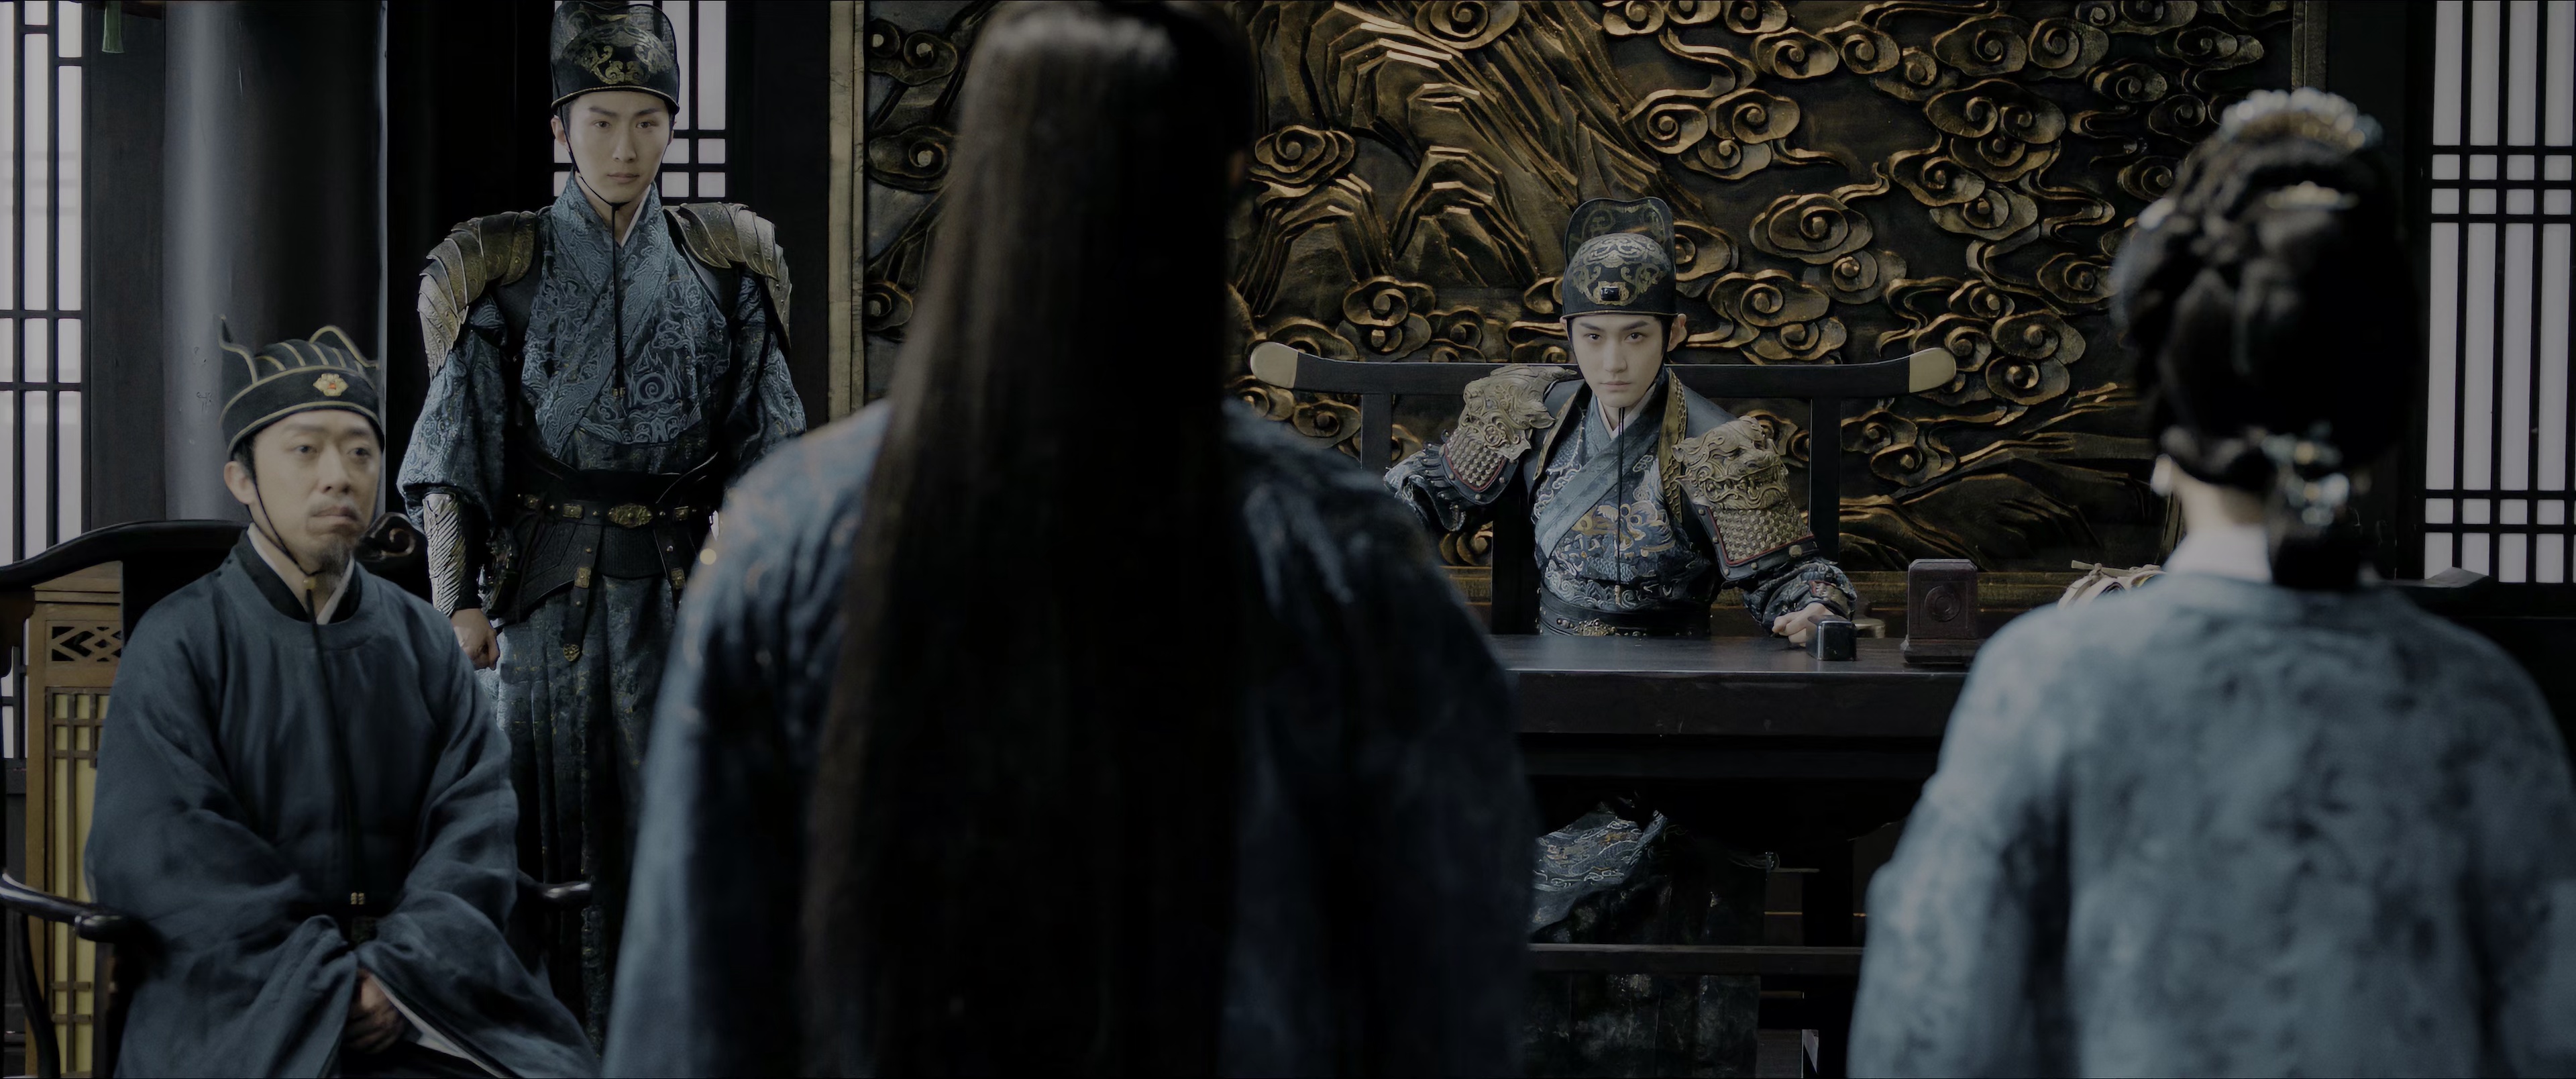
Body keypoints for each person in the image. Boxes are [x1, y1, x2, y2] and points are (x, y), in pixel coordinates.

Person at [602, 3, 1530, 1074]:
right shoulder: (1340, 557)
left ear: (983, 181)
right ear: (1228, 189)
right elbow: (1446, 996)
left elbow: (692, 1013)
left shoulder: (785, 538)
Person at [1848, 89, 2576, 1076]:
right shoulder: (2479, 698)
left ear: (2165, 427)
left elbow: (1930, 1035)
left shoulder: (2051, 681)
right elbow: (2549, 1033)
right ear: (2374, 431)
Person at [397, 0, 806, 1038]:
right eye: (601, 121)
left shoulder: (728, 262)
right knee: (544, 822)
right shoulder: (503, 262)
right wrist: (455, 601)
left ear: (671, 128)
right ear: (562, 129)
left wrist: (751, 569)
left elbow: (771, 443)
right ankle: (547, 1044)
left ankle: (675, 1040)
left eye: (647, 122)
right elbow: (455, 447)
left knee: (689, 817)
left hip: (687, 582)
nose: (625, 147)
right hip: (545, 592)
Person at [87, 326, 596, 1078]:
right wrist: (328, 984)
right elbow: (165, 849)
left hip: (428, 995)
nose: (339, 477)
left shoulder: (423, 642)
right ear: (241, 479)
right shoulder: (180, 642)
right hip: (242, 1001)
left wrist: (398, 974)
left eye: (360, 453)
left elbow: (475, 829)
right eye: (305, 450)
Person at [1384, 199, 1858, 641]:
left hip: (1674, 669)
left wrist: (1818, 606)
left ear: (1674, 333)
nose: (1613, 363)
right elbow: (1421, 494)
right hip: (1549, 660)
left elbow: (1788, 576)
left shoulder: (1721, 448)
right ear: (1568, 333)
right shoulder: (1521, 411)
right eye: (1593, 337)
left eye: (1635, 336)